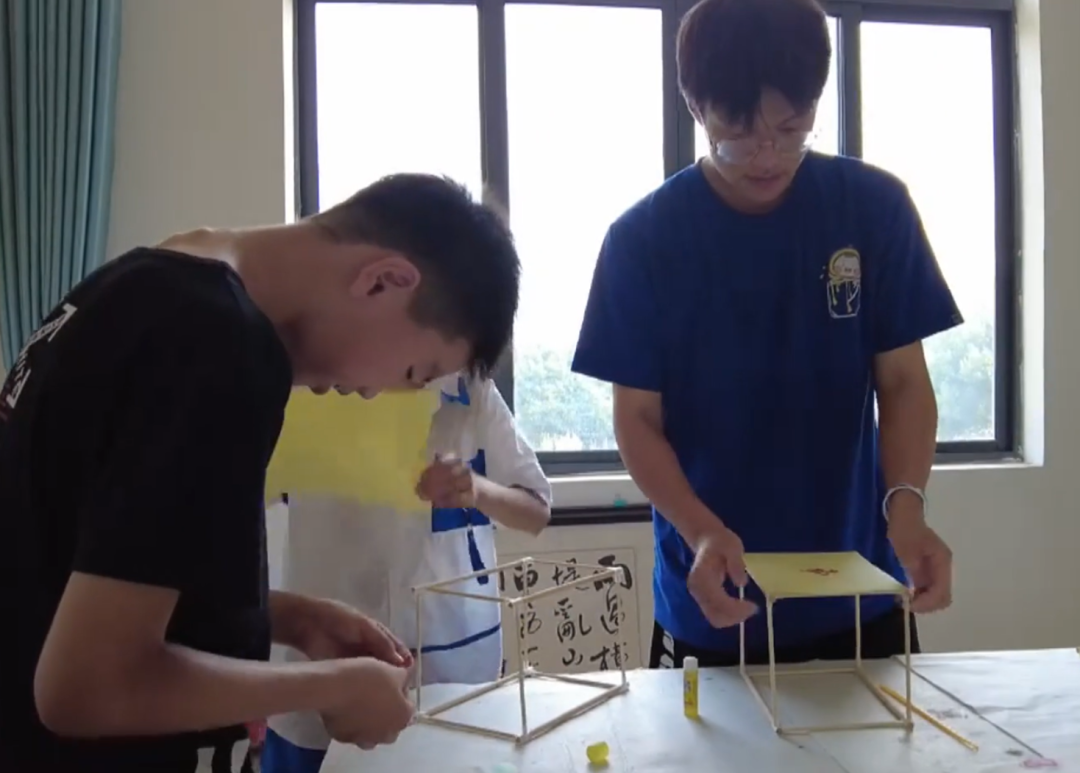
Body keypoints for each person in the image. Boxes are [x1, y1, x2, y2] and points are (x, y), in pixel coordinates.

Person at [0, 173, 521, 773]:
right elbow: (85, 686)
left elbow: (78, 582)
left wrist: (293, 619)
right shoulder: (218, 344)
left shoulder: (140, 285)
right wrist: (334, 688)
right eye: (412, 372)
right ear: (384, 280)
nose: (374, 392)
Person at [572, 0, 958, 670]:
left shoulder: (874, 209)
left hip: (862, 592)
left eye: (792, 127)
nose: (767, 155)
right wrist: (701, 530)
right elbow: (636, 419)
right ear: (696, 106)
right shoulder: (644, 241)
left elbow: (902, 383)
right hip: (713, 599)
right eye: (738, 132)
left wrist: (907, 504)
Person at [262, 373, 552, 773]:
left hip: (454, 673)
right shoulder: (306, 382)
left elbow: (536, 510)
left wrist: (477, 490)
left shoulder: (468, 387)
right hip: (321, 668)